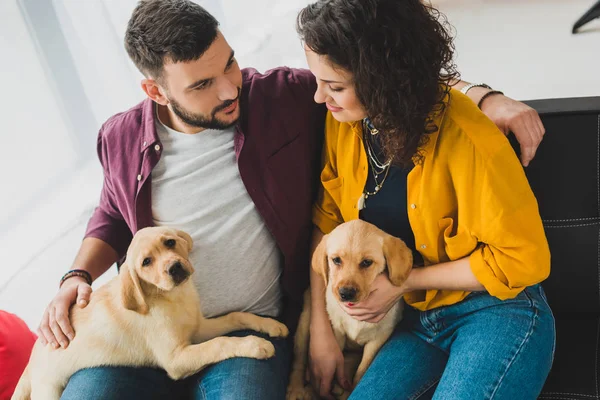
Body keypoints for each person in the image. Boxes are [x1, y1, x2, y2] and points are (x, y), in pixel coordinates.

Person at [36, 0, 546, 399]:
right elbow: (111, 210)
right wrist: (76, 275)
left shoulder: (283, 99)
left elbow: (394, 75)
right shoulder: (120, 136)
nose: (229, 87)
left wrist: (483, 95)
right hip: (151, 325)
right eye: (203, 84)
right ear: (155, 90)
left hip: (468, 311)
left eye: (230, 63)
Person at [297, 0, 554, 399]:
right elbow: (327, 223)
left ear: (381, 80)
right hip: (414, 320)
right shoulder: (346, 124)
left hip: (494, 311)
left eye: (334, 86)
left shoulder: (470, 140)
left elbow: (524, 260)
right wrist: (320, 331)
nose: (319, 98)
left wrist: (403, 282)